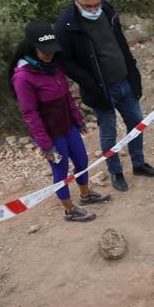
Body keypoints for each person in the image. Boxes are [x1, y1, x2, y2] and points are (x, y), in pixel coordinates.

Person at [54, 0, 154, 192]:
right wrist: (89, 81)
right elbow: (64, 61)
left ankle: (139, 164)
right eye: (88, 6)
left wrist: (133, 73)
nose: (94, 10)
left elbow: (120, 42)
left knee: (137, 123)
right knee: (108, 131)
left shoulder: (108, 10)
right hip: (100, 90)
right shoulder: (65, 25)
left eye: (97, 4)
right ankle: (116, 172)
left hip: (125, 80)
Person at [11, 21, 110, 222]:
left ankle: (86, 195)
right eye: (45, 51)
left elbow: (66, 96)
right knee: (60, 170)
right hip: (51, 135)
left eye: (52, 50)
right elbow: (30, 113)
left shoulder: (54, 66)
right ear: (32, 47)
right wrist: (45, 144)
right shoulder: (23, 77)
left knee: (82, 160)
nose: (50, 55)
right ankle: (69, 210)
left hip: (68, 127)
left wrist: (78, 120)